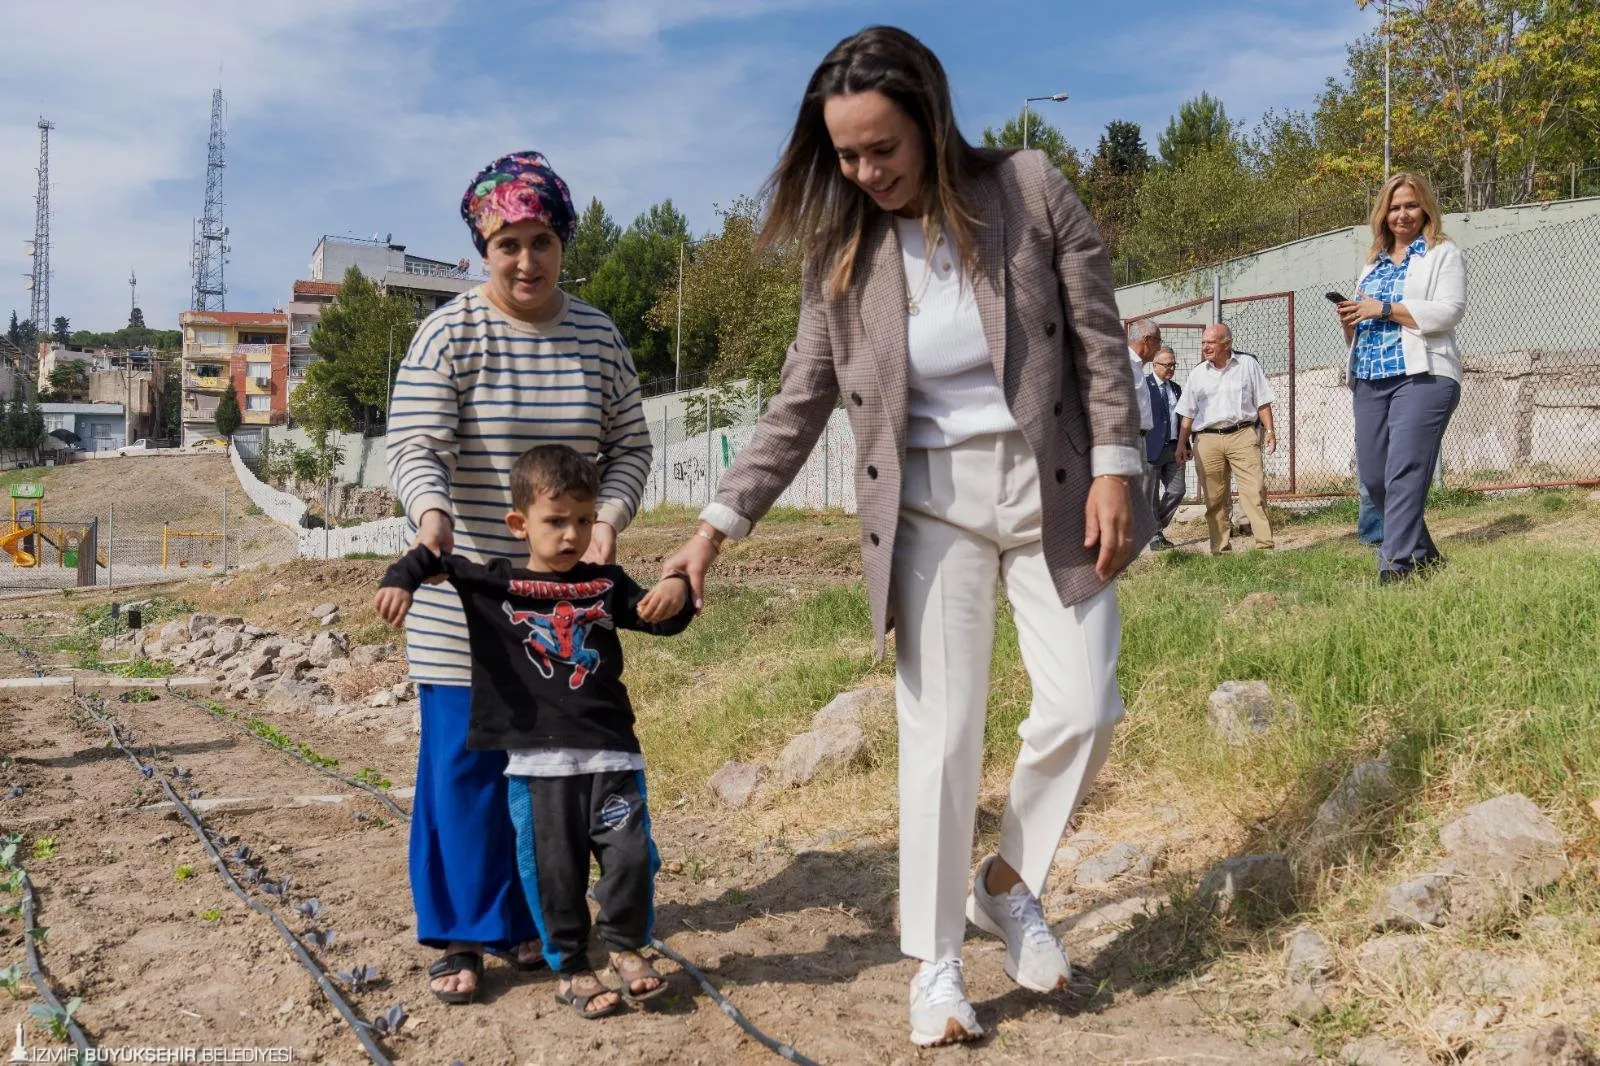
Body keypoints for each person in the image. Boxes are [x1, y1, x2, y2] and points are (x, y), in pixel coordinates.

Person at [659, 25, 1153, 1048]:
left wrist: (1117, 465)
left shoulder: (1026, 187)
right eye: (845, 154)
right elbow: (799, 401)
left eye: (882, 147)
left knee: (1085, 704)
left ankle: (1005, 883)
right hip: (928, 511)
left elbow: (1101, 341)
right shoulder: (842, 254)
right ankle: (934, 963)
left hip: (1053, 492)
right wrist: (716, 525)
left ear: (928, 120)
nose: (865, 171)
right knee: (939, 739)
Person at [385, 151, 654, 1004]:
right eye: (508, 243)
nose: (527, 260)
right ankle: (464, 936)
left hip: (561, 606)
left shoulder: (598, 337)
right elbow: (416, 445)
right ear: (480, 246)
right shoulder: (449, 333)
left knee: (552, 775)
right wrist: (432, 524)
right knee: (465, 772)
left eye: (542, 240)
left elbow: (632, 447)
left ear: (562, 242)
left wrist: (607, 519)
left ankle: (543, 925)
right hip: (465, 596)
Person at [377, 445, 694, 1019]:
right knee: (553, 870)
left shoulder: (604, 584)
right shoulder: (499, 587)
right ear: (520, 525)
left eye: (583, 519)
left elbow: (660, 617)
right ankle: (572, 969)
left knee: (630, 857)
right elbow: (434, 561)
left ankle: (626, 949)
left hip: (612, 755)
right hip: (539, 768)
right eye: (555, 521)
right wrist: (402, 579)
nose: (571, 535)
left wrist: (677, 592)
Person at [1337, 172, 1465, 583]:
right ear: (1383, 213)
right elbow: (1364, 320)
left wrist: (1385, 308)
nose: (1402, 214)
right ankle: (1423, 551)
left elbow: (1448, 312)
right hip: (1370, 376)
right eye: (1394, 207)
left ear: (1425, 206)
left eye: (1410, 205)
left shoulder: (1442, 254)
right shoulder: (1371, 262)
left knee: (1406, 468)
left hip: (1423, 376)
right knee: (1375, 477)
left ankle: (1397, 565)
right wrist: (1353, 318)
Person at [1175, 324, 1277, 554]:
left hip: (1243, 434)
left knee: (1255, 492)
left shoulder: (1248, 365)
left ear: (1227, 344)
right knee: (1214, 499)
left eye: (1210, 342)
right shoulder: (1198, 373)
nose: (1205, 347)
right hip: (1207, 439)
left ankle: (1265, 547)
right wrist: (1181, 444)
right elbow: (1187, 413)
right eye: (1203, 343)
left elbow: (1262, 401)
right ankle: (1220, 550)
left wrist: (1270, 430)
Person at [1144, 343, 1185, 549]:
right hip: (1150, 448)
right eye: (1167, 365)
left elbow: (1182, 419)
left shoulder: (1176, 389)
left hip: (1173, 448)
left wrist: (1185, 444)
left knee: (1178, 490)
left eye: (1173, 365)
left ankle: (1151, 528)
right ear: (1154, 364)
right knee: (1150, 495)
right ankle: (1154, 536)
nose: (1171, 368)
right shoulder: (1143, 386)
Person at [1127, 320, 1158, 503]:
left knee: (1139, 494)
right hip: (1128, 438)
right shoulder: (1125, 364)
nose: (1159, 347)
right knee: (1132, 496)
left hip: (1140, 438)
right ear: (1147, 340)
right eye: (1158, 341)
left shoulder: (1137, 366)